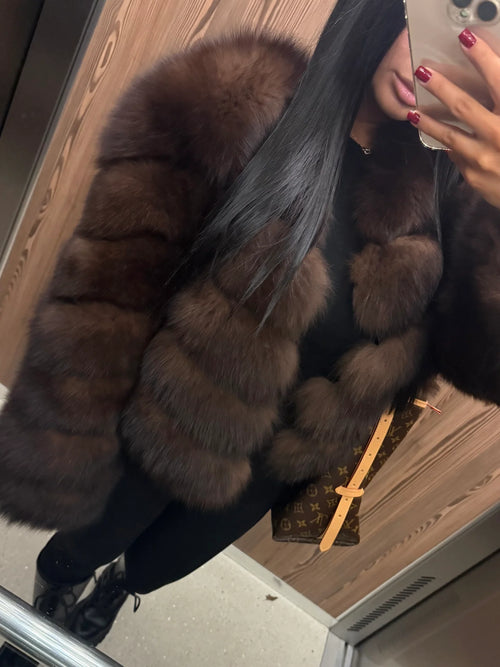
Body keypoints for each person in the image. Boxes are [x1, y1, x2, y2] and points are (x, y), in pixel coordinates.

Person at [0, 0, 499, 648]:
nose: (439, 64)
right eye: (447, 22)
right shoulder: (232, 101)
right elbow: (109, 287)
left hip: (278, 461)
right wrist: (60, 444)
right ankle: (56, 591)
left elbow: (482, 365)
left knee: (158, 565)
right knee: (85, 542)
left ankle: (118, 591)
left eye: (479, 54)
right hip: (166, 427)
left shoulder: (457, 202)